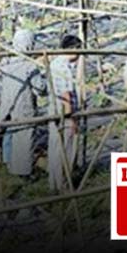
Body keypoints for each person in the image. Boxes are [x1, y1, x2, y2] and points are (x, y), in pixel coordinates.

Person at [0, 28, 40, 177]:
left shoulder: (7, 61)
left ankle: (7, 163)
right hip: (23, 104)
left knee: (9, 132)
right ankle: (22, 171)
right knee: (24, 137)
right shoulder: (30, 66)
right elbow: (39, 88)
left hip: (8, 103)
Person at [48, 34, 81, 192]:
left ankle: (54, 183)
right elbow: (66, 95)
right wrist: (71, 119)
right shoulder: (64, 67)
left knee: (55, 146)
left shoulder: (55, 63)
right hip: (64, 112)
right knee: (66, 148)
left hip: (54, 109)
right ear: (73, 49)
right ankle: (64, 185)